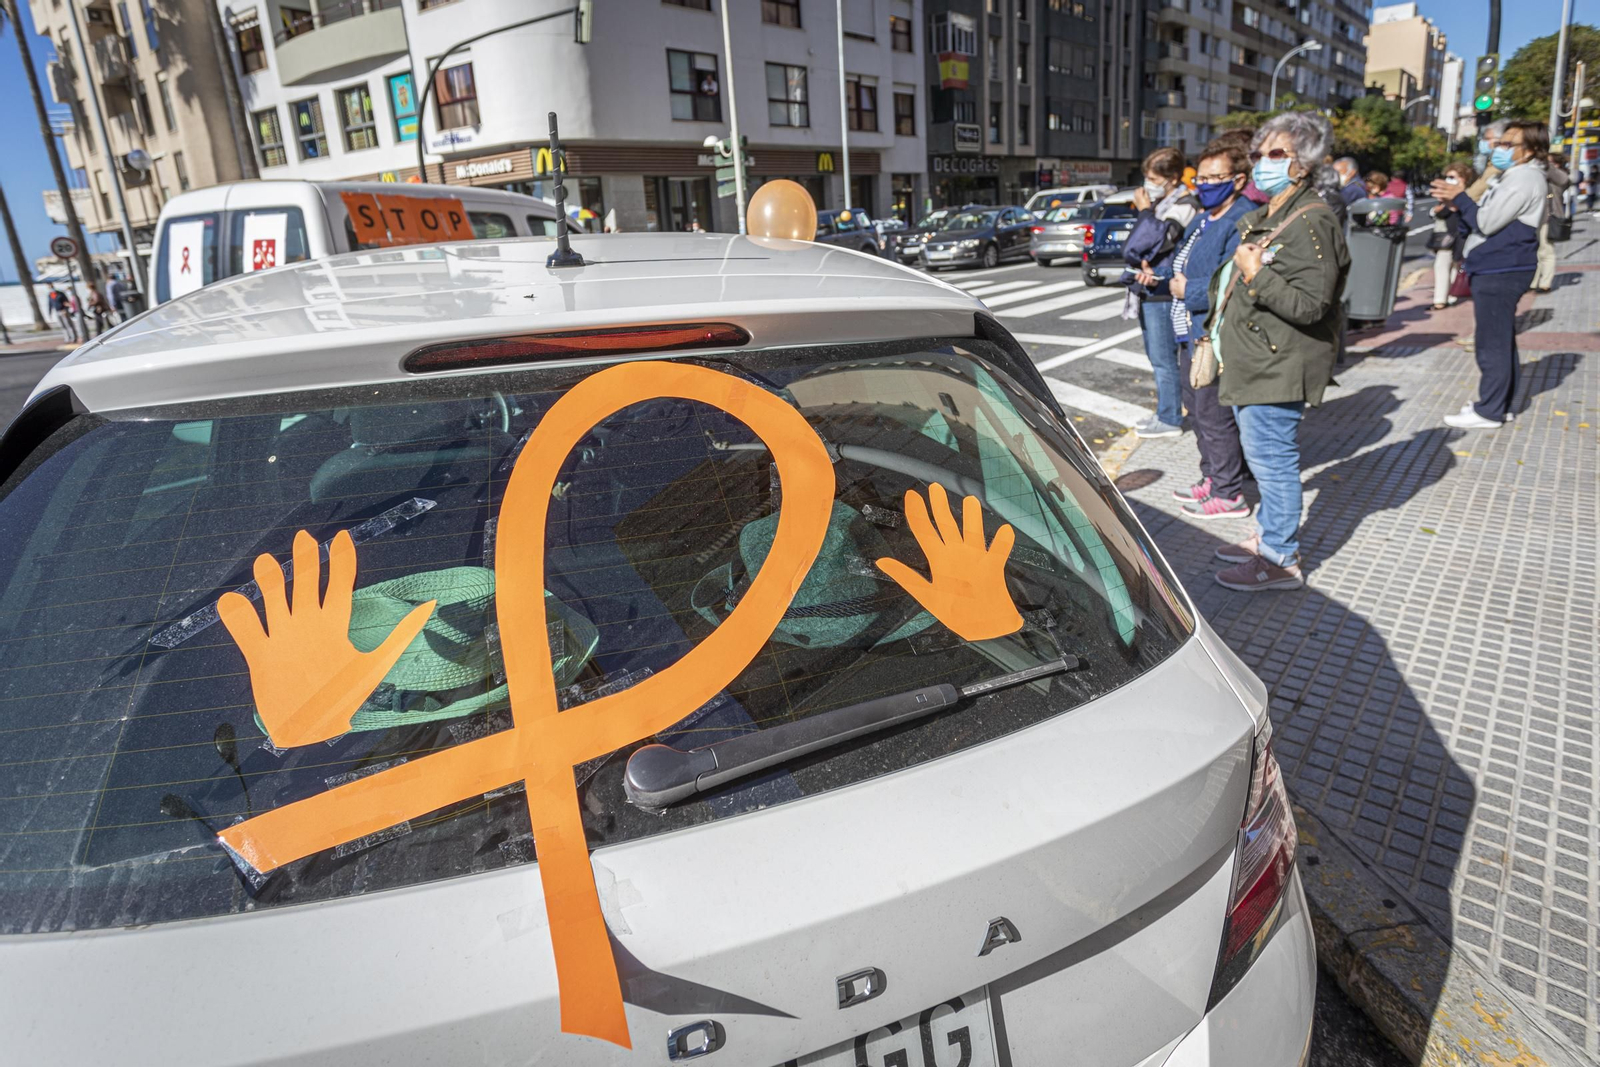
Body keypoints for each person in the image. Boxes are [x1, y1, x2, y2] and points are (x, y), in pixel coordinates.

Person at [1206, 111, 1349, 591]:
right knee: (1266, 460)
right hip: (1257, 360)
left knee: (1273, 463)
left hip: (1278, 365)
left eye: (1274, 153)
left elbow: (1312, 305)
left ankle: (1280, 559)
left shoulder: (1312, 223)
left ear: (1302, 165)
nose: (1261, 162)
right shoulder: (1275, 215)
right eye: (1257, 153)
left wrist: (1255, 273)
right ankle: (1269, 535)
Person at [1431, 120, 1549, 429]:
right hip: (1498, 266)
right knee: (1500, 339)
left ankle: (1489, 411)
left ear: (1531, 150)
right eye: (1500, 143)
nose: (1499, 149)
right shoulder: (1515, 176)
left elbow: (1487, 221)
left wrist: (1460, 197)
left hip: (1502, 268)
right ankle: (1500, 405)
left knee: (1491, 343)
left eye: (1509, 144)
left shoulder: (1524, 179)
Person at [1167, 137, 1256, 520]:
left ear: (1237, 180)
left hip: (1211, 333)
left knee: (1214, 415)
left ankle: (1228, 492)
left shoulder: (1243, 218)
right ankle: (1212, 477)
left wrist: (1191, 289)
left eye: (1213, 177)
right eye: (1199, 178)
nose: (1203, 185)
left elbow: (1236, 278)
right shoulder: (1207, 216)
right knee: (1199, 411)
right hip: (1190, 329)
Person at [1122, 147, 1199, 438]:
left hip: (1165, 290)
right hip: (1150, 287)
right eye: (1146, 177)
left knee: (1164, 358)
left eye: (1154, 178)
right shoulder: (1165, 200)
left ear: (1173, 177)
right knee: (1157, 357)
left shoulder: (1185, 202)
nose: (1148, 184)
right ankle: (1165, 412)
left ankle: (1170, 419)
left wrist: (1144, 211)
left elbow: (1160, 240)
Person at [1429, 162, 1476, 310]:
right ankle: (1440, 299)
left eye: (1452, 177)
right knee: (1442, 264)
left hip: (1462, 234)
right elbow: (1439, 212)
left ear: (1463, 178)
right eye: (1447, 177)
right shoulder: (1446, 193)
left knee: (1457, 265)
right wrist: (1437, 209)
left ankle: (1451, 296)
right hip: (1447, 235)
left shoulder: (1471, 193)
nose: (1448, 180)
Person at [1533, 157, 1571, 292]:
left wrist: (1548, 167)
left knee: (1546, 251)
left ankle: (1544, 283)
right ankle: (1533, 282)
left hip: (1548, 218)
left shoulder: (1556, 179)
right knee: (1535, 252)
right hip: (1534, 218)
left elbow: (1565, 181)